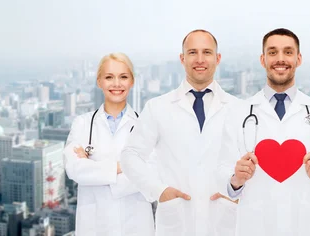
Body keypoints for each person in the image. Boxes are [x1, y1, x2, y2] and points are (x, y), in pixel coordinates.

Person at [217, 28, 310, 236]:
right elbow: (221, 172)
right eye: (272, 52)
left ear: (298, 59)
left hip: (306, 226)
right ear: (263, 60)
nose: (280, 59)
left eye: (288, 52)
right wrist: (236, 178)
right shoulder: (238, 113)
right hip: (256, 226)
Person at [120, 29, 239, 236]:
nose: (200, 59)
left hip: (225, 220)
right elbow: (131, 155)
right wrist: (159, 190)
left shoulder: (240, 109)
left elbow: (257, 163)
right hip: (176, 220)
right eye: (192, 52)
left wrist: (238, 193)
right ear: (182, 59)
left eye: (207, 52)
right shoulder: (157, 107)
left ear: (218, 58)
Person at [63, 52, 155, 236]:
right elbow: (74, 169)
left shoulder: (148, 126)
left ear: (132, 81)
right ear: (99, 82)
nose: (116, 84)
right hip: (93, 226)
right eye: (109, 77)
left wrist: (93, 170)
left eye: (123, 77)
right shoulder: (82, 124)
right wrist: (123, 167)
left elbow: (150, 175)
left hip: (135, 227)